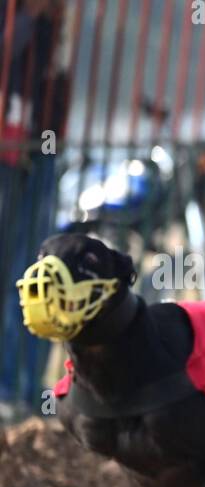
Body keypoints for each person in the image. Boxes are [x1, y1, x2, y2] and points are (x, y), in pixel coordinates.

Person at [0, 0, 67, 424]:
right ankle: (7, 385)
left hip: (40, 148)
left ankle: (23, 386)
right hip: (7, 150)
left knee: (32, 271)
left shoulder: (56, 19)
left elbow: (58, 79)